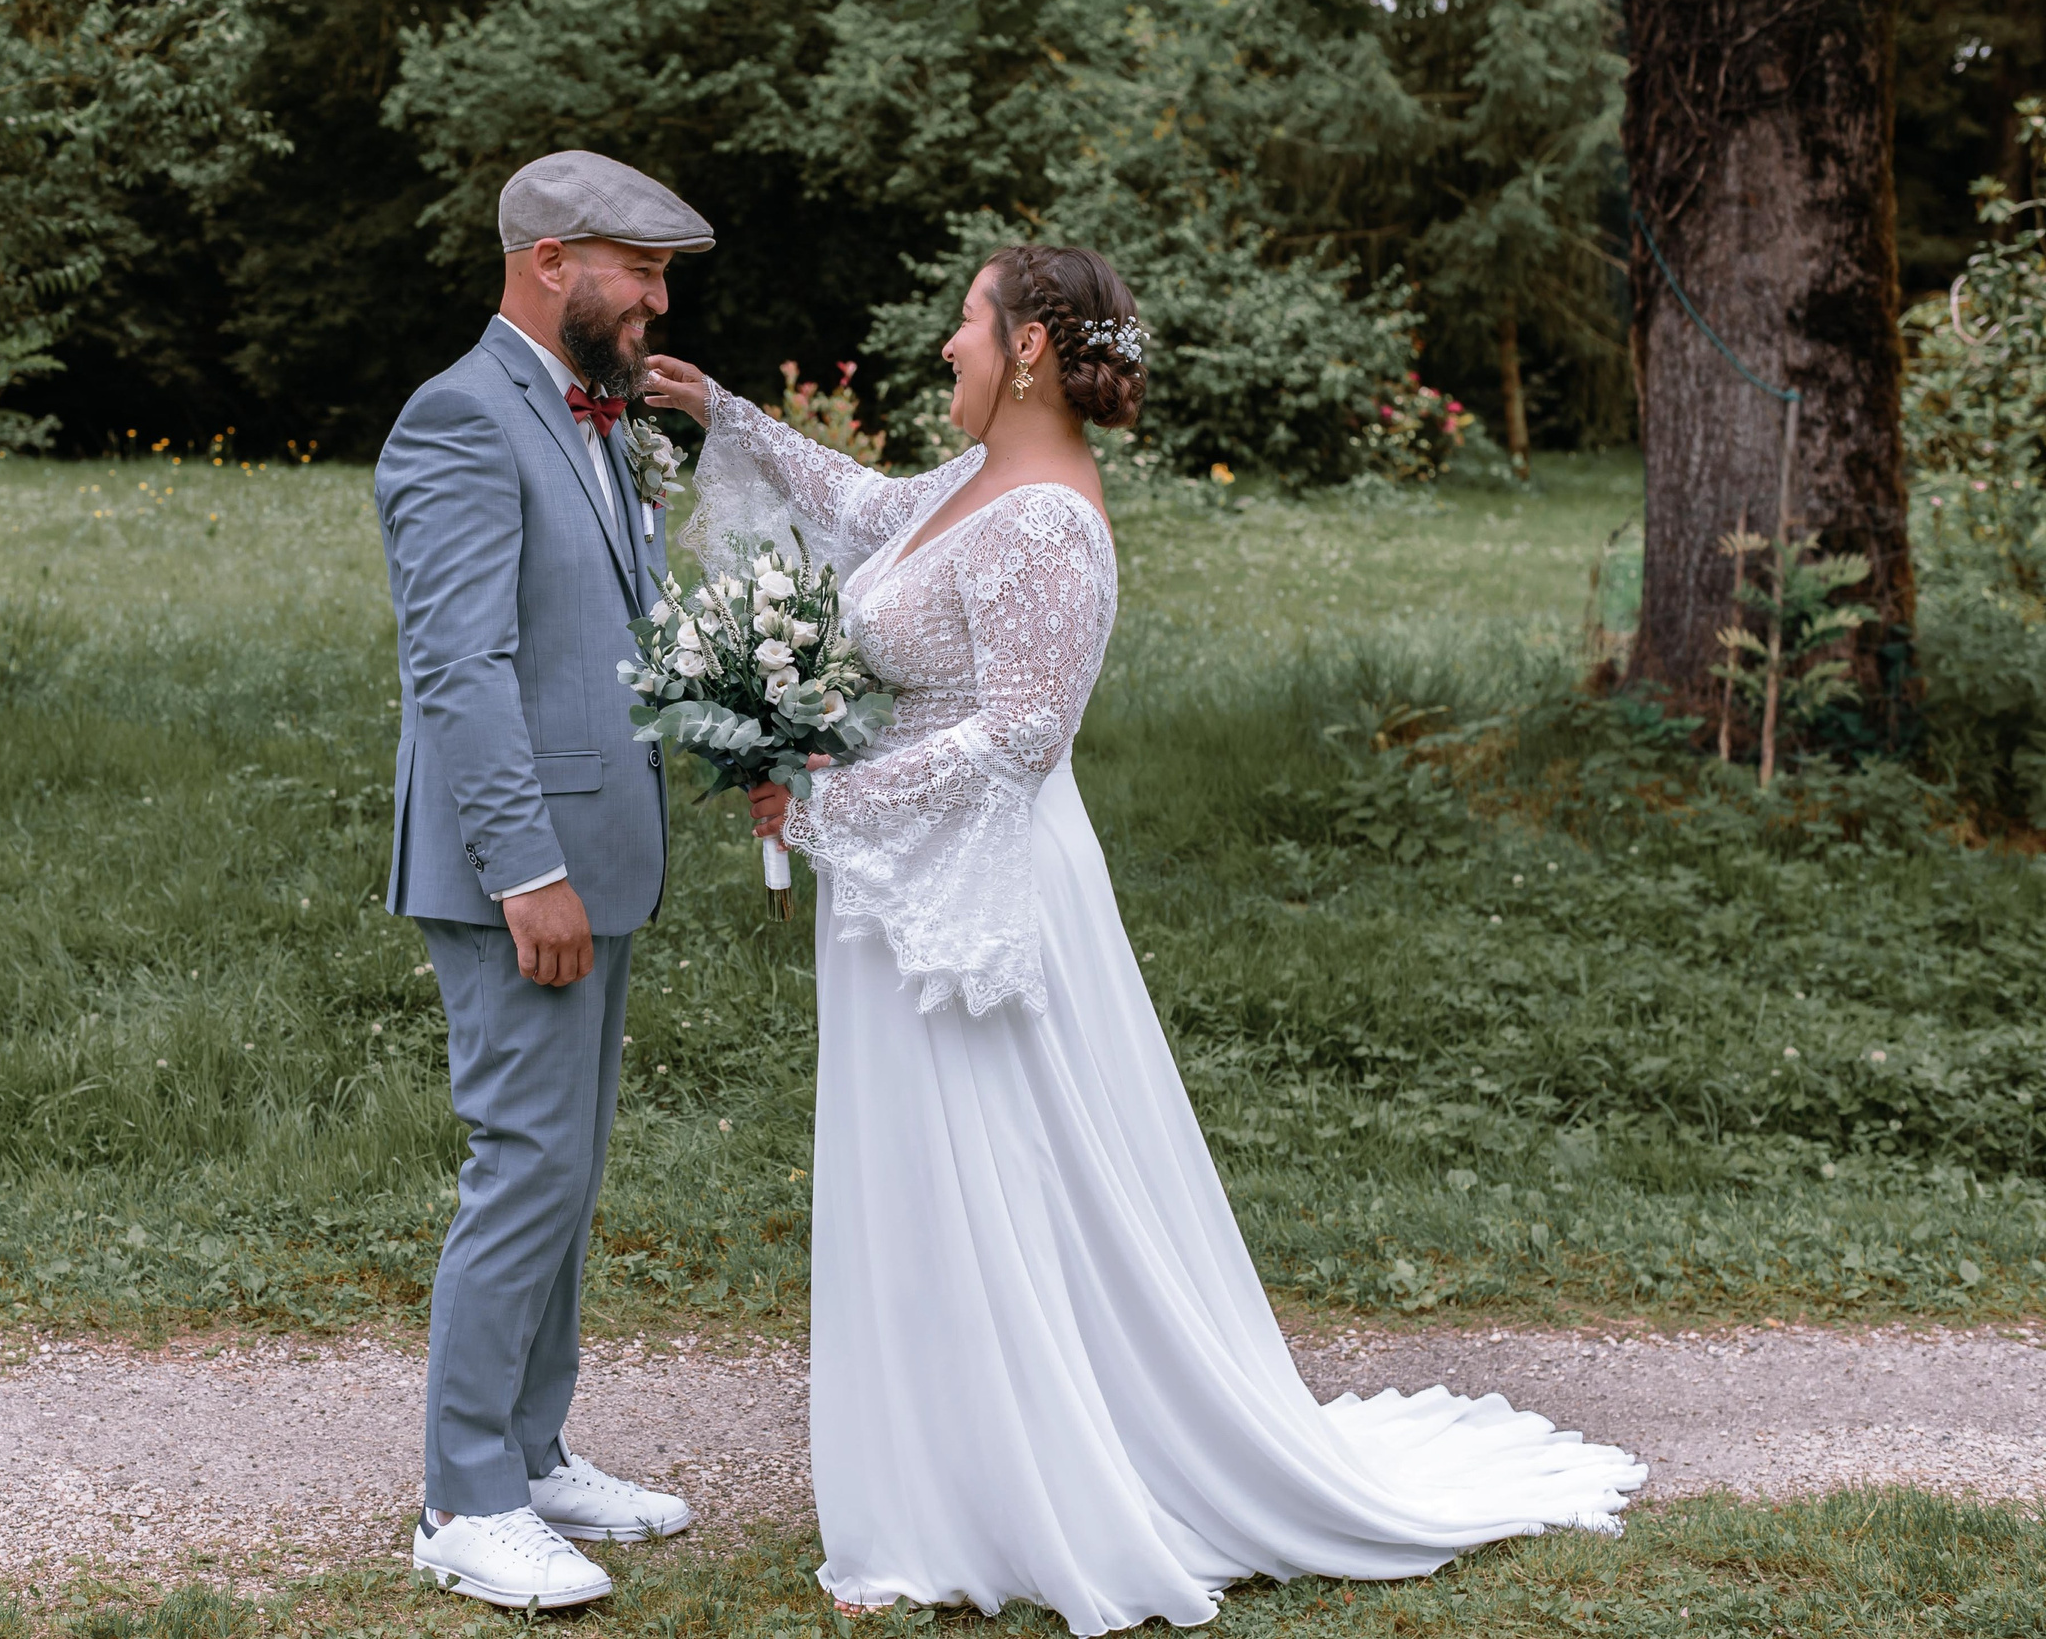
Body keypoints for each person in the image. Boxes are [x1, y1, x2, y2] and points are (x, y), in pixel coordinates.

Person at [639, 244, 1645, 1633]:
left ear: (1032, 346)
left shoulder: (1050, 520)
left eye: (966, 324)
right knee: (925, 1174)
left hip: (981, 888)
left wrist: (824, 797)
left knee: (1006, 1169)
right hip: (905, 878)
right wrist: (727, 417)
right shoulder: (973, 483)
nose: (948, 347)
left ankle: (1034, 1480)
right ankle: (949, 1470)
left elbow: (1025, 735)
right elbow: (868, 506)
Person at [374, 150, 702, 1610]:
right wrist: (527, 870)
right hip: (527, 874)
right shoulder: (458, 416)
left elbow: (607, 637)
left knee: (565, 1176)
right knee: (522, 1170)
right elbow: (460, 667)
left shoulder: (600, 418)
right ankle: (464, 1498)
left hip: (602, 859)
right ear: (553, 259)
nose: (657, 299)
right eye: (642, 269)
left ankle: (535, 1447)